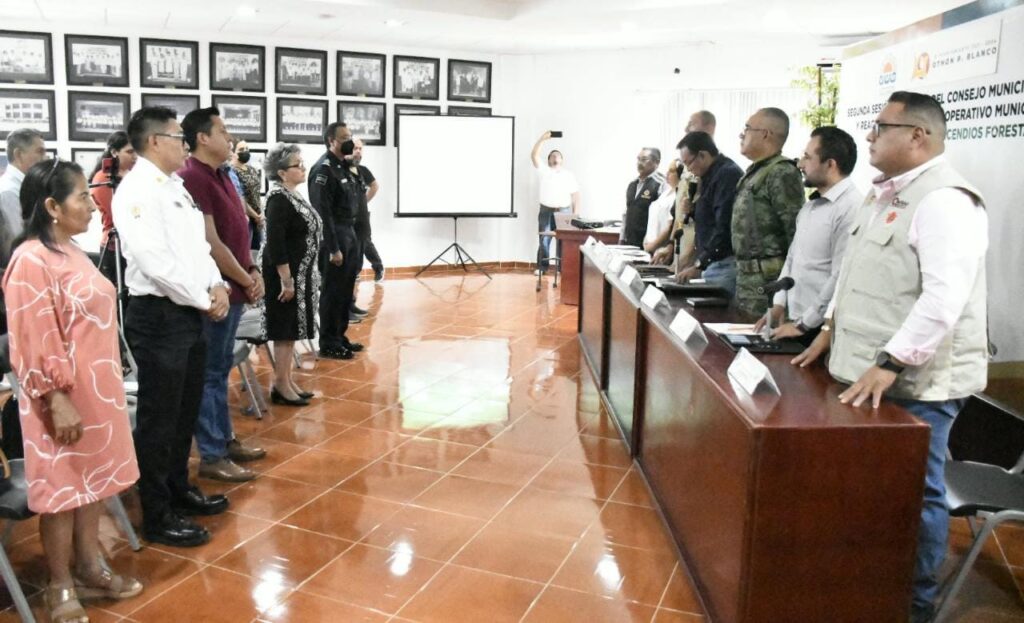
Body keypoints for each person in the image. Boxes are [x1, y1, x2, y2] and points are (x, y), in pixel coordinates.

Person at [793, 91, 989, 623]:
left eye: (880, 127)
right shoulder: (883, 194)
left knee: (914, 497)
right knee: (869, 491)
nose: (869, 136)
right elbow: (853, 273)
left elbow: (944, 299)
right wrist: (829, 329)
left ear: (918, 136)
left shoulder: (945, 200)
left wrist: (891, 362)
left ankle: (910, 607)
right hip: (863, 372)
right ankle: (865, 589)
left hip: (914, 383)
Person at [3, 159, 142, 623]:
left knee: (93, 482)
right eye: (83, 196)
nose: (92, 204)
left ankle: (89, 567)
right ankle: (59, 582)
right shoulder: (30, 260)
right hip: (60, 399)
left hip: (97, 392)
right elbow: (33, 337)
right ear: (52, 207)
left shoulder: (71, 250)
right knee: (63, 490)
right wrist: (56, 399)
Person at [112, 106, 231, 548]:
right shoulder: (137, 191)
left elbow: (197, 248)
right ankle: (157, 513)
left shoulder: (174, 186)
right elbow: (155, 263)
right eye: (179, 137)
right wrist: (203, 298)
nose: (185, 144)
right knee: (160, 420)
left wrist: (216, 285)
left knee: (184, 411)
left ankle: (179, 488)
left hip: (189, 310)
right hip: (160, 316)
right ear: (154, 141)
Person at [178, 107, 266, 483]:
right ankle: (212, 454)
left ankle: (225, 440)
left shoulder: (223, 174)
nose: (229, 138)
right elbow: (211, 243)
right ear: (203, 137)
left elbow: (240, 231)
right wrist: (245, 278)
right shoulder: (192, 177)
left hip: (235, 286)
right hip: (217, 292)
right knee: (210, 373)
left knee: (219, 369)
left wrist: (252, 270)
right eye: (223, 130)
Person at [753, 126, 861, 345]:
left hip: (819, 327)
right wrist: (779, 303)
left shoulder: (851, 207)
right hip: (795, 320)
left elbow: (840, 276)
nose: (800, 164)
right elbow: (792, 258)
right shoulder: (811, 206)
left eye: (807, 157)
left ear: (830, 164)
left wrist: (805, 324)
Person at [262, 143, 322, 406]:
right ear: (282, 172)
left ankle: (285, 379)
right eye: (298, 165)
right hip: (284, 275)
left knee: (292, 330)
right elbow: (276, 243)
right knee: (284, 329)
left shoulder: (292, 195)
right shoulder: (278, 198)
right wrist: (286, 280)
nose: (303, 168)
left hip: (300, 274)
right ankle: (280, 384)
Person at [732, 107, 805, 317]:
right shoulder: (757, 171)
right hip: (747, 279)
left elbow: (795, 232)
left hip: (768, 282)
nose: (741, 134)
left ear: (765, 134)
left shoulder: (782, 172)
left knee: (761, 335)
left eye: (747, 128)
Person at [310, 122, 364, 360]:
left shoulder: (343, 166)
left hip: (348, 232)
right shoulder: (323, 170)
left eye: (350, 136)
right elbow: (322, 213)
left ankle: (340, 336)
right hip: (334, 235)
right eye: (344, 138)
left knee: (345, 290)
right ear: (331, 141)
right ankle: (329, 342)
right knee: (332, 291)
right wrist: (333, 248)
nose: (349, 141)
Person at [675, 131, 744, 295]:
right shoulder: (709, 175)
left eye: (689, 163)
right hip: (713, 263)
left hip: (724, 263)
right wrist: (693, 211)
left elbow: (724, 226)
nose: (688, 169)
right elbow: (711, 217)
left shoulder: (727, 174)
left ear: (702, 155)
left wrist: (700, 264)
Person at [653, 110, 717, 266]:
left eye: (691, 124)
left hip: (700, 253)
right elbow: (680, 212)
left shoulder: (712, 166)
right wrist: (671, 243)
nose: (686, 129)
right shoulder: (689, 166)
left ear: (709, 127)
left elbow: (710, 218)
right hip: (681, 247)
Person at [89, 131, 138, 288]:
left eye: (136, 151)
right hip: (114, 246)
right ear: (115, 152)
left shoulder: (134, 174)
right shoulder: (103, 178)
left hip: (134, 245)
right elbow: (116, 214)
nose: (135, 156)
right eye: (129, 152)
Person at [531, 131, 580, 275]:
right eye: (552, 155)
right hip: (546, 210)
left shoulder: (568, 175)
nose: (555, 156)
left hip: (564, 212)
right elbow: (534, 155)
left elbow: (576, 195)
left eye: (558, 155)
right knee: (544, 239)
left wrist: (575, 215)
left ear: (562, 160)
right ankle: (542, 267)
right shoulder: (544, 171)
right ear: (548, 161)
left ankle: (561, 269)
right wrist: (542, 139)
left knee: (563, 241)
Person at [0, 128, 46, 264]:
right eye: (40, 152)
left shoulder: (26, 186)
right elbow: (20, 240)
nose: (45, 158)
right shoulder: (9, 192)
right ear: (19, 154)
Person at [348, 138, 385, 283]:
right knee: (352, 244)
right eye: (355, 148)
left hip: (362, 216)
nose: (358, 151)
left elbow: (375, 186)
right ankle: (355, 271)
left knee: (365, 242)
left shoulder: (363, 170)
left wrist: (363, 202)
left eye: (360, 148)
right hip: (346, 217)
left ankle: (379, 268)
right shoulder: (341, 170)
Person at [621, 148, 666, 248]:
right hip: (630, 242)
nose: (639, 163)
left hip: (649, 244)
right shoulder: (632, 184)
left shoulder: (661, 183)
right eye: (638, 159)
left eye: (644, 159)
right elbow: (627, 213)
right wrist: (621, 238)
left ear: (657, 162)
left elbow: (664, 218)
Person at [231, 140, 264, 251]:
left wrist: (261, 215)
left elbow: (257, 193)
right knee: (245, 250)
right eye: (241, 149)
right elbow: (240, 197)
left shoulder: (252, 170)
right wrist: (255, 216)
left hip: (258, 218)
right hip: (245, 217)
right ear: (233, 153)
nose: (245, 152)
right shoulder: (232, 171)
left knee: (259, 252)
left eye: (247, 149)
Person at [643, 159, 680, 254]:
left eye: (671, 171)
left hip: (661, 249)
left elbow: (670, 227)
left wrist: (652, 246)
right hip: (650, 246)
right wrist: (646, 242)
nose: (667, 174)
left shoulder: (677, 196)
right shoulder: (665, 193)